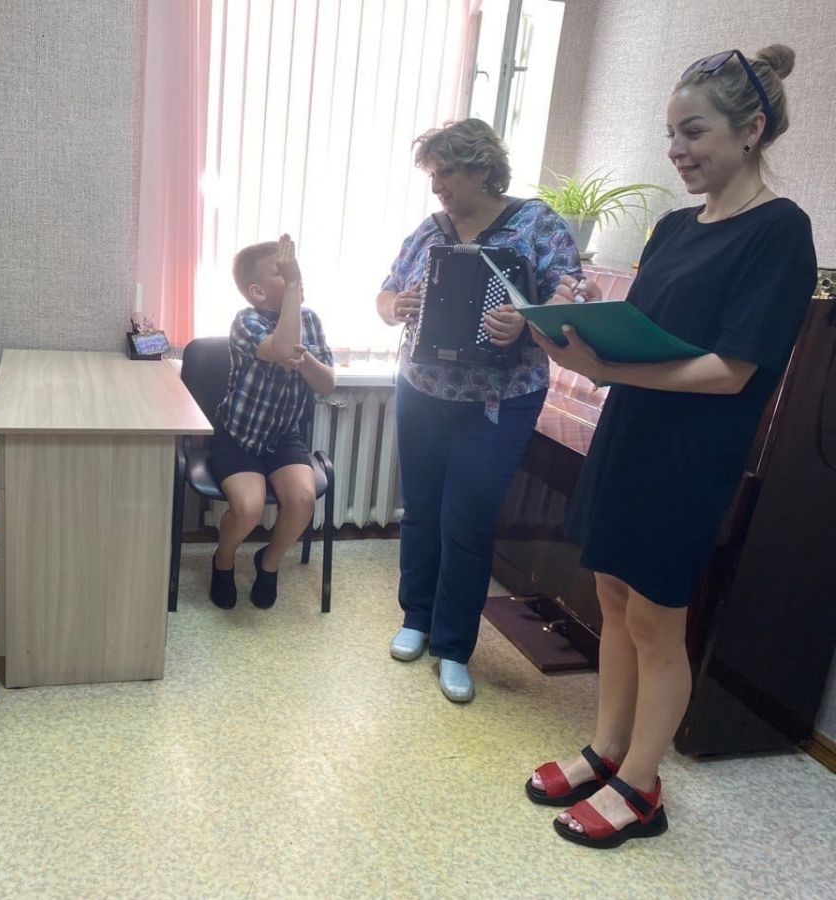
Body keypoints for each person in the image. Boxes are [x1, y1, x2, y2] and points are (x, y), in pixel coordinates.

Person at [526, 44, 815, 849]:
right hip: (632, 432)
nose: (676, 150)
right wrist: (585, 325)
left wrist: (606, 368)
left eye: (694, 132)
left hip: (690, 454)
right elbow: (652, 332)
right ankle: (607, 750)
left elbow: (732, 370)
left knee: (658, 619)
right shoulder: (675, 227)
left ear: (751, 130)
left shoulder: (780, 231)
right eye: (670, 134)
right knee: (614, 600)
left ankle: (642, 787)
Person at [376, 118, 581, 702]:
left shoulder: (537, 224)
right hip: (422, 389)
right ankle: (416, 617)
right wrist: (396, 306)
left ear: (483, 168)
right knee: (421, 510)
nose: (437, 185)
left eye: (446, 172)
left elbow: (568, 305)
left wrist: (525, 320)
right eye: (432, 173)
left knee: (466, 521)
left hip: (500, 399)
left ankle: (453, 645)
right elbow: (385, 294)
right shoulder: (430, 230)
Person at [209, 234, 335, 609]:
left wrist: (303, 358)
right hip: (239, 435)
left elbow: (326, 384)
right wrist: (293, 288)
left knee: (302, 500)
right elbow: (280, 349)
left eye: (295, 271)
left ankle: (268, 562)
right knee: (248, 508)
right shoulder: (245, 321)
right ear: (257, 291)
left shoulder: (309, 320)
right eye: (283, 272)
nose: (295, 277)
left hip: (283, 435)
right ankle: (223, 560)